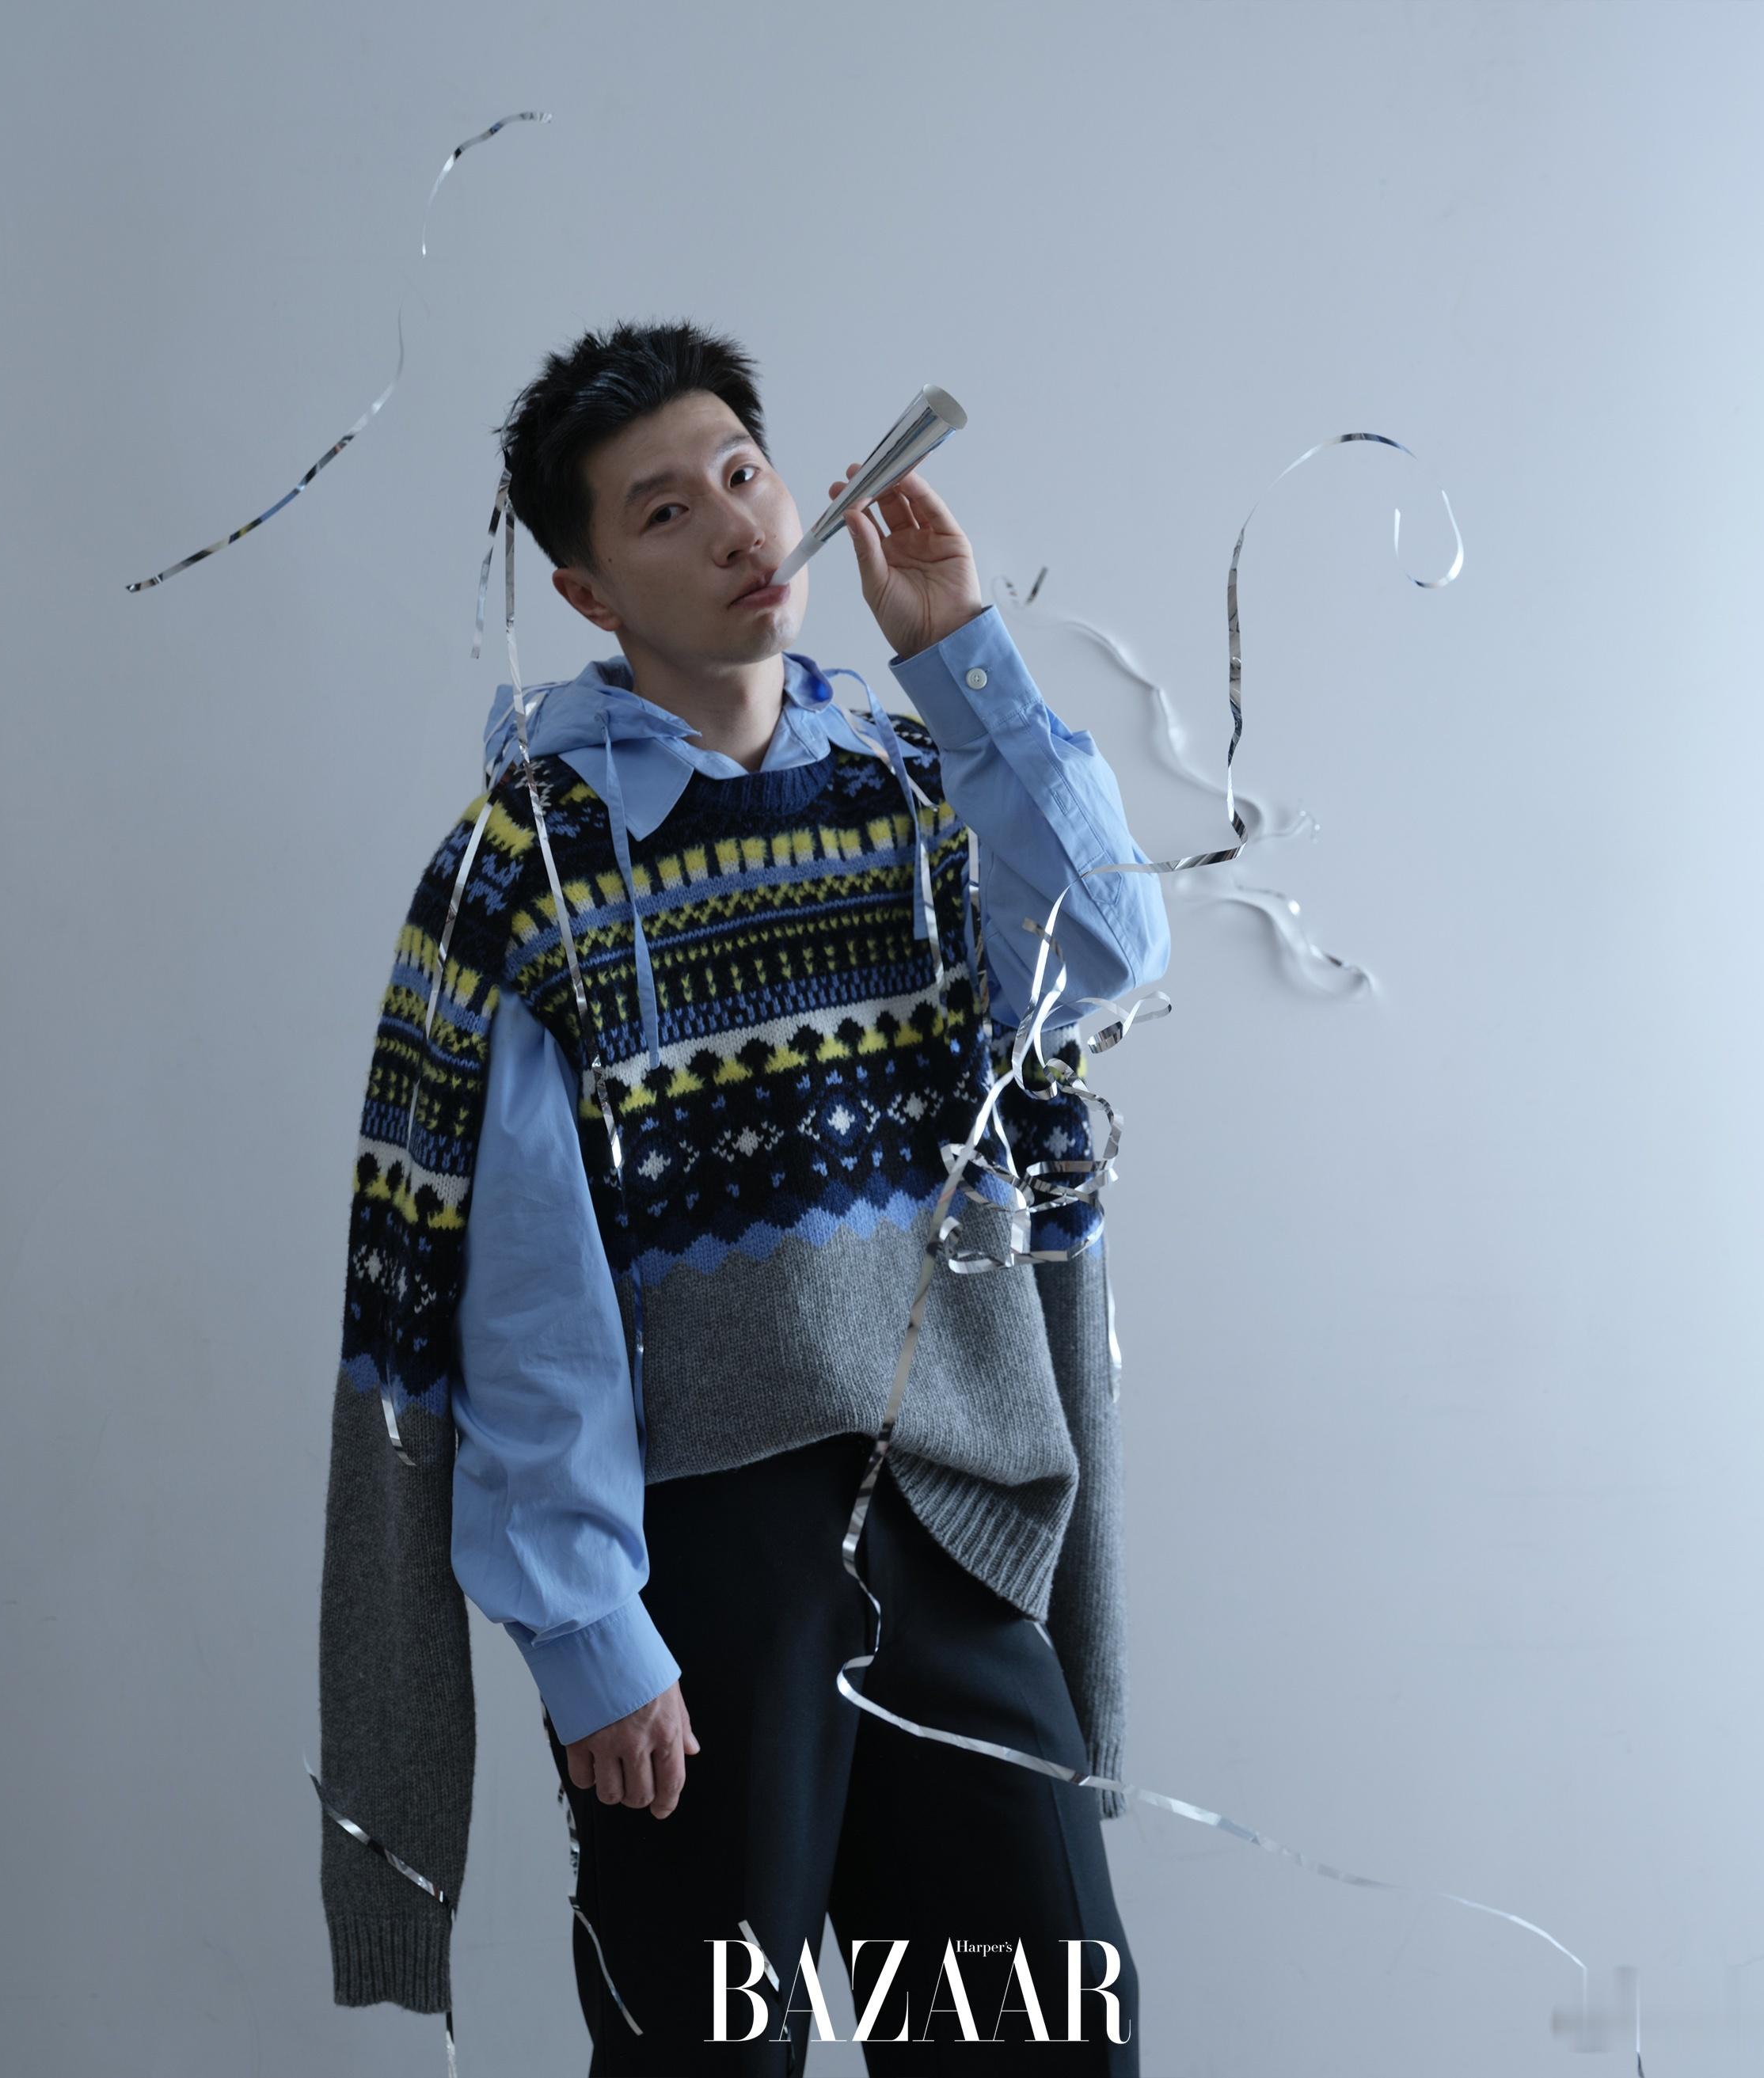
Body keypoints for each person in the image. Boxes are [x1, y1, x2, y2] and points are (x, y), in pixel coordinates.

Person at [319, 319, 1168, 2072]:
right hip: (699, 1571)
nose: (732, 525)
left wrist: (962, 654)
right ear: (584, 591)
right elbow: (523, 1293)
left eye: (742, 473)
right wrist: (588, 1627)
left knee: (1049, 2043)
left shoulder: (918, 784)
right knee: (710, 2059)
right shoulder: (530, 867)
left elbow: (1108, 947)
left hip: (952, 1520)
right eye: (663, 510)